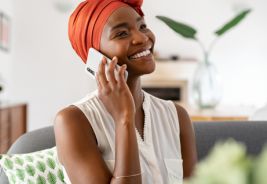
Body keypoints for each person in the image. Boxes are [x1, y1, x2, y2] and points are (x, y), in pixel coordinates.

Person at [54, 0, 198, 183]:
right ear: (94, 56)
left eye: (143, 26)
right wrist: (124, 119)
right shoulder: (72, 121)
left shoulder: (177, 116)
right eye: (121, 33)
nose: (142, 38)